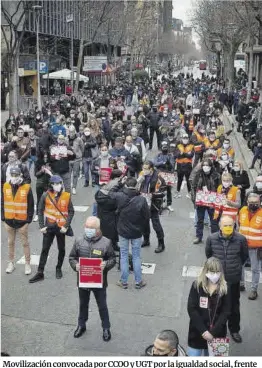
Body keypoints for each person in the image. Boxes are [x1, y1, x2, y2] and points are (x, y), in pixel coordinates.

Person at [69, 216, 116, 341]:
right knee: (83, 304)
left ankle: (106, 328)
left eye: (91, 228)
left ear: (98, 229)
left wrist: (105, 265)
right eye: (86, 227)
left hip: (99, 282)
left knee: (102, 306)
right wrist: (75, 266)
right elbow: (72, 257)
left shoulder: (106, 242)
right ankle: (81, 325)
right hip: (83, 280)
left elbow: (112, 259)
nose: (88, 229)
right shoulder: (78, 241)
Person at [205, 215, 249, 343]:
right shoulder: (212, 239)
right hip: (216, 280)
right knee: (217, 306)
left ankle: (234, 330)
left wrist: (234, 267)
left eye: (231, 225)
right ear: (220, 226)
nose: (228, 227)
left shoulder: (241, 239)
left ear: (234, 225)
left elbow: (244, 256)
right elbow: (209, 255)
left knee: (234, 306)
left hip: (233, 279)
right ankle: (219, 330)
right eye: (225, 225)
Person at [29, 175, 75, 283]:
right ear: (51, 185)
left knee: (62, 249)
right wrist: (41, 226)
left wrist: (66, 226)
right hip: (49, 227)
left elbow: (71, 211)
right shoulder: (46, 195)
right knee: (45, 249)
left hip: (61, 228)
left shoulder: (66, 195)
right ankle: (40, 272)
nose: (57, 186)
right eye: (55, 184)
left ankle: (58, 268)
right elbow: (40, 210)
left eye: (59, 183)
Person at [107, 177, 150, 289]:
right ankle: (138, 281)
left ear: (126, 185)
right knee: (136, 256)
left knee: (124, 255)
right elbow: (146, 217)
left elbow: (110, 192)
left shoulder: (120, 196)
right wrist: (142, 229)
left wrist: (119, 183)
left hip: (123, 231)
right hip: (136, 231)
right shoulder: (141, 199)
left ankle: (124, 281)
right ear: (136, 186)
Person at [187, 257, 230, 356]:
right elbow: (192, 309)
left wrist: (212, 333)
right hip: (197, 333)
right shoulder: (197, 285)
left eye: (217, 272)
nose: (215, 275)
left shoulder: (225, 288)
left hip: (217, 334)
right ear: (206, 271)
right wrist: (204, 331)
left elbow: (226, 312)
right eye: (212, 271)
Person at [1, 167, 34, 275]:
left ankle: (27, 264)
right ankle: (11, 263)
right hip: (9, 220)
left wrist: (28, 221)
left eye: (16, 175)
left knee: (25, 243)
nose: (14, 177)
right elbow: (2, 202)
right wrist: (3, 218)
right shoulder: (5, 186)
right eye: (12, 175)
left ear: (20, 175)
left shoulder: (27, 187)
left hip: (22, 221)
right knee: (10, 243)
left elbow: (30, 205)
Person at [137, 161, 166, 253]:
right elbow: (137, 187)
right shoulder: (141, 174)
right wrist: (138, 182)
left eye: (146, 169)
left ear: (151, 169)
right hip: (143, 202)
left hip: (153, 204)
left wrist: (152, 195)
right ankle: (146, 240)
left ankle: (161, 243)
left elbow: (163, 192)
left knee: (156, 224)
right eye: (143, 168)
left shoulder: (158, 178)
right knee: (144, 223)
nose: (144, 170)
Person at [239, 193, 262, 300]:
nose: (253, 205)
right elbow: (239, 225)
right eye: (251, 203)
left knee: (255, 269)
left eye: (256, 203)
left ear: (259, 203)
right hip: (242, 245)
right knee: (240, 265)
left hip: (256, 247)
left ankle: (254, 290)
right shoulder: (242, 210)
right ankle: (241, 284)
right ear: (247, 202)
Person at [191, 159, 220, 244]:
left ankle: (215, 238)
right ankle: (198, 237)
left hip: (212, 201)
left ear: (211, 166)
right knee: (200, 220)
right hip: (201, 201)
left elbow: (219, 188)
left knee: (214, 221)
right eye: (204, 165)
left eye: (207, 165)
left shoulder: (216, 175)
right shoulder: (198, 174)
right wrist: (195, 199)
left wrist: (216, 201)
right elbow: (193, 187)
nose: (205, 167)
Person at [174, 133, 194, 199]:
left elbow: (191, 155)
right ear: (182, 139)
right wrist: (186, 154)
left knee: (189, 180)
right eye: (184, 138)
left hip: (188, 166)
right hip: (180, 165)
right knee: (179, 179)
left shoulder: (191, 145)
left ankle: (190, 193)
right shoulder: (178, 145)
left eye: (186, 138)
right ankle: (177, 192)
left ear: (188, 139)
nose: (185, 140)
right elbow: (176, 155)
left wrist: (182, 154)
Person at [68, 126, 84, 195]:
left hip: (76, 159)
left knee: (75, 174)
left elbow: (82, 148)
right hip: (68, 160)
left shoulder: (79, 139)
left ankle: (74, 187)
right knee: (68, 175)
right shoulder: (66, 139)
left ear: (75, 132)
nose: (71, 133)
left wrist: (79, 155)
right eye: (70, 131)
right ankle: (68, 187)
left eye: (72, 131)